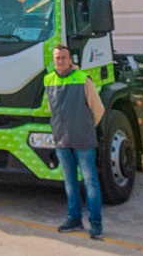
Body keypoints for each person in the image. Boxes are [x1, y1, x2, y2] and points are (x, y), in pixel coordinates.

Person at [45, 45, 105, 240]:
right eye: (57, 58)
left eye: (64, 57)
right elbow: (52, 109)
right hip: (62, 141)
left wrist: (85, 127)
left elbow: (98, 109)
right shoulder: (49, 80)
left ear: (71, 59)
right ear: (53, 60)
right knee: (70, 182)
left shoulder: (83, 79)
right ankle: (74, 219)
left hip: (83, 141)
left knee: (90, 182)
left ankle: (95, 223)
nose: (61, 61)